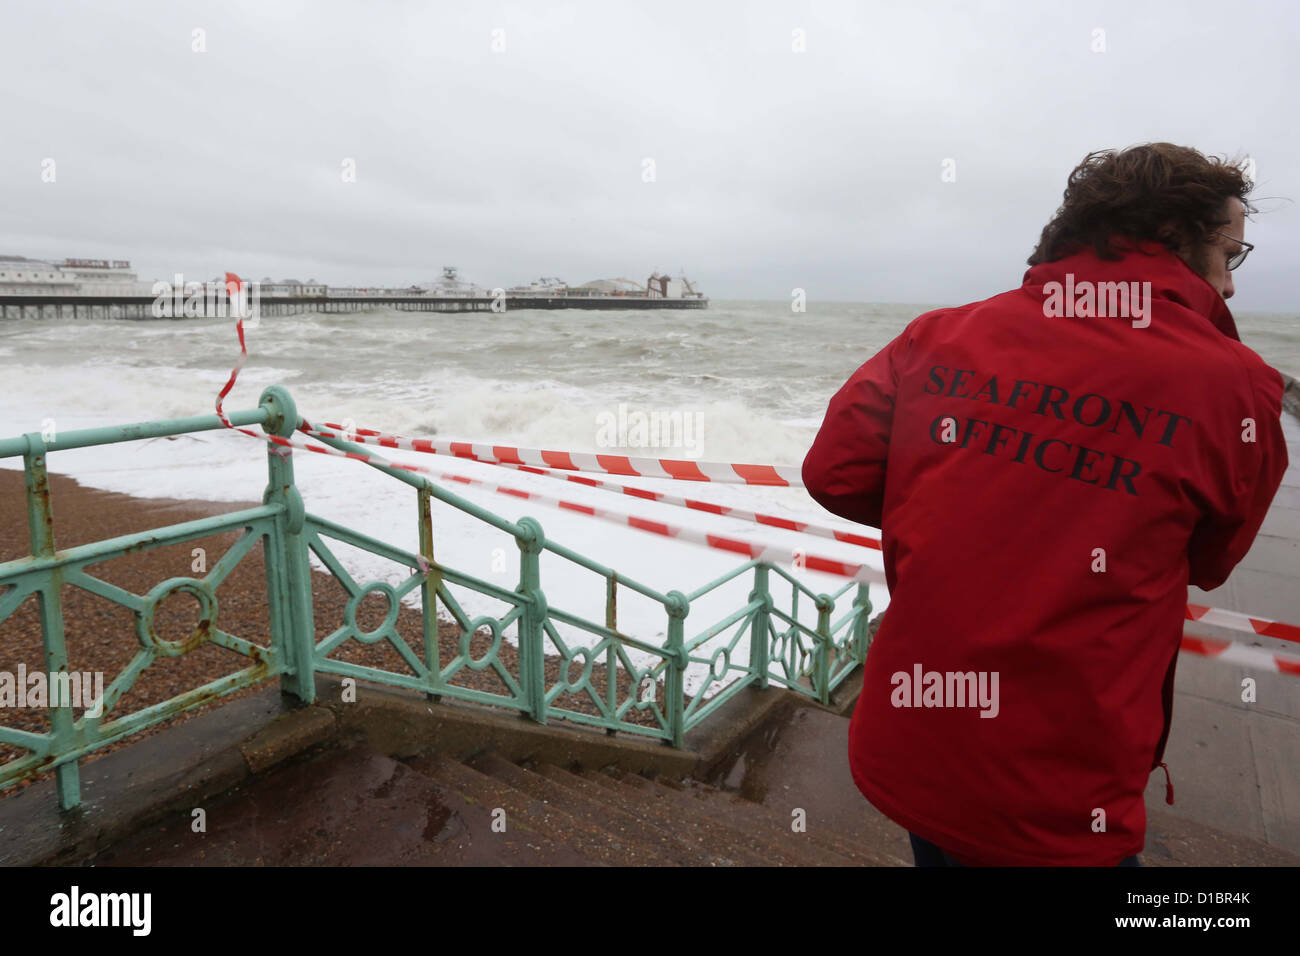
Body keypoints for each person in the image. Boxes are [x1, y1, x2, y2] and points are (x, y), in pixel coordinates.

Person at [801, 143, 1289, 867]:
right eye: (1233, 252)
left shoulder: (940, 334)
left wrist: (969, 506)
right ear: (1179, 239)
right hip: (1061, 788)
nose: (1233, 284)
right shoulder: (1236, 388)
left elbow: (835, 472)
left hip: (914, 744)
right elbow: (1214, 558)